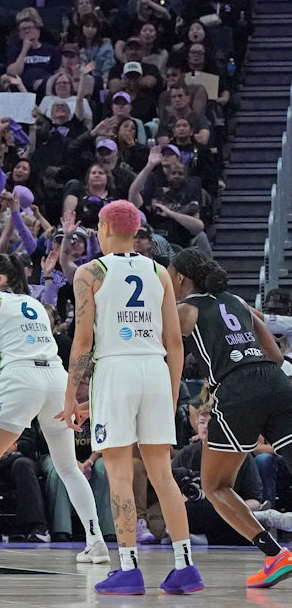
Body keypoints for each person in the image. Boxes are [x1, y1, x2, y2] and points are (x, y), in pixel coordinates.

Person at [61, 200, 200, 595]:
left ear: (104, 228)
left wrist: (71, 395)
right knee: (162, 473)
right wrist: (171, 392)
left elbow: (83, 341)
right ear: (137, 231)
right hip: (155, 369)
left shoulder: (91, 272)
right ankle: (185, 566)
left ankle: (128, 567)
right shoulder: (159, 271)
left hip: (116, 369)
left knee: (119, 472)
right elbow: (174, 342)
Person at [0, 253, 108, 564]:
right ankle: (95, 540)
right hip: (55, 379)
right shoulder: (34, 306)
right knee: (68, 467)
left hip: (20, 381)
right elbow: (17, 336)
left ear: (0, 279)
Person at [171, 247, 292, 588]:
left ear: (180, 277)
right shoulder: (239, 302)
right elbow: (276, 354)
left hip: (236, 390)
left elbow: (160, 346)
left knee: (214, 485)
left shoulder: (184, 309)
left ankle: (276, 555)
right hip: (276, 382)